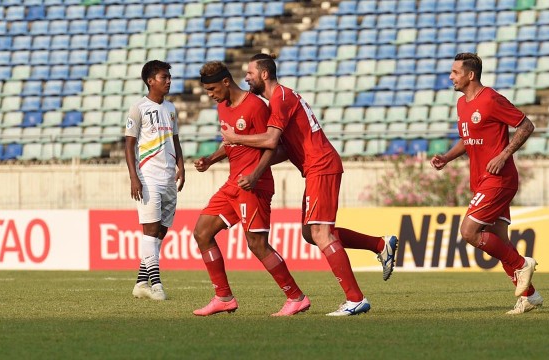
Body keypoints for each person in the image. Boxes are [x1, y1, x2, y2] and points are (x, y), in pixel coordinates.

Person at [220, 53, 399, 316]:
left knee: (320, 234)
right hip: (315, 168)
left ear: (264, 74)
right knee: (309, 232)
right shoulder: (279, 99)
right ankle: (380, 245)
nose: (246, 77)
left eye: (250, 73)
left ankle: (355, 299)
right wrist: (253, 165)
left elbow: (270, 141)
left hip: (321, 166)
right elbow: (282, 149)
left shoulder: (280, 98)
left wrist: (236, 138)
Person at [192, 61, 310, 317]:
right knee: (201, 232)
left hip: (254, 184)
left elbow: (273, 145)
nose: (210, 95)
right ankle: (223, 297)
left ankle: (296, 297)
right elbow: (233, 142)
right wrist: (211, 159)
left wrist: (255, 175)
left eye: (212, 89)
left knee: (256, 243)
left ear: (226, 82)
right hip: (234, 183)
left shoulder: (256, 106)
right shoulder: (222, 106)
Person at [430, 53, 541, 315]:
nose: (450, 77)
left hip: (499, 179)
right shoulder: (461, 104)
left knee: (468, 231)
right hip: (481, 180)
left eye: (455, 72)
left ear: (470, 75)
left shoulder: (490, 99)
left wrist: (504, 155)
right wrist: (446, 157)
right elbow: (467, 139)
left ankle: (521, 264)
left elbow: (526, 125)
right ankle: (529, 296)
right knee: (500, 240)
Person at [125, 60, 185, 301]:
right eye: (164, 77)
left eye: (169, 77)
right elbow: (129, 144)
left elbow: (176, 139)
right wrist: (134, 177)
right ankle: (157, 285)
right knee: (150, 231)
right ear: (151, 81)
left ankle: (141, 282)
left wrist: (181, 166)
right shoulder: (138, 108)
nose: (168, 80)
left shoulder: (170, 108)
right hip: (148, 177)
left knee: (160, 231)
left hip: (169, 177)